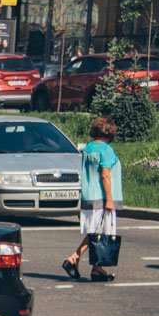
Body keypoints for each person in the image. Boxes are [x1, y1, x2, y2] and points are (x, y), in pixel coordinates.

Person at [64, 116, 122, 282]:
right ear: (110, 132)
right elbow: (105, 175)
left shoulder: (89, 148)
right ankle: (73, 258)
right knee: (98, 233)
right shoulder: (106, 150)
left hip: (89, 196)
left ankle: (97, 269)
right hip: (102, 197)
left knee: (97, 233)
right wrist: (109, 199)